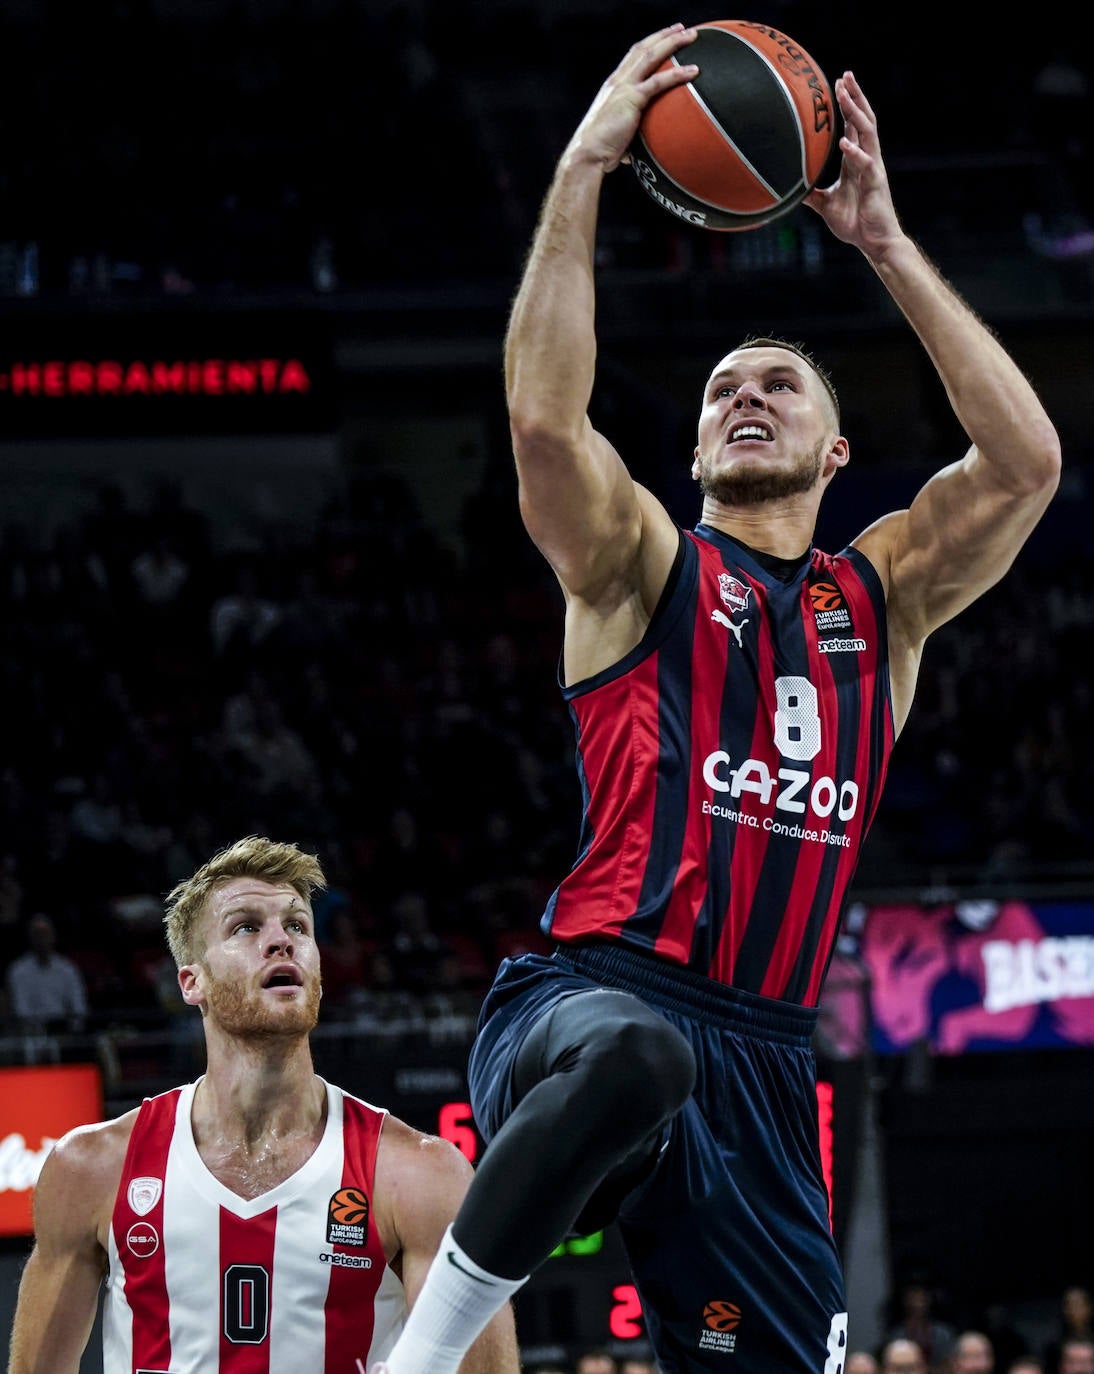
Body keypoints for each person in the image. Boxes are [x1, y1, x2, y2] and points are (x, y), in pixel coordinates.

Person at [373, 21, 1061, 1374]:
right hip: (584, 1000)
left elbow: (1024, 460)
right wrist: (580, 167)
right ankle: (417, 1362)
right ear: (689, 445)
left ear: (835, 443)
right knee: (639, 1059)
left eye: (779, 387)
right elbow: (540, 425)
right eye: (722, 389)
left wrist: (881, 244)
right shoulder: (639, 563)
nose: (748, 396)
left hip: (762, 1059)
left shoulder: (883, 598)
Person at [7, 835, 518, 1374]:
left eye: (297, 925)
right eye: (246, 926)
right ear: (191, 982)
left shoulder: (418, 1173)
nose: (282, 941)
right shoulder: (91, 1166)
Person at [4, 910, 89, 1035]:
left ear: (53, 936)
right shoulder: (18, 970)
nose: (42, 939)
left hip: (65, 1032)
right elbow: (22, 1009)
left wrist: (73, 1030)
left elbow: (78, 1006)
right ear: (30, 937)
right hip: (32, 1033)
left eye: (45, 933)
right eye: (37, 934)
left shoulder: (68, 969)